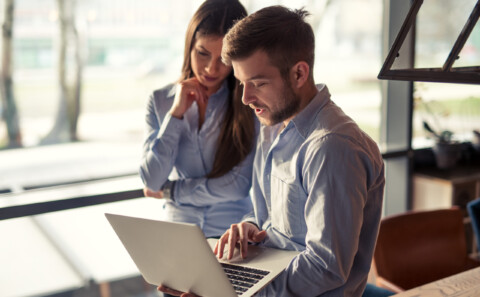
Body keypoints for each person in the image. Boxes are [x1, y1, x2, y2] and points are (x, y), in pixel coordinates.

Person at [158, 5, 385, 297]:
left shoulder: (331, 147)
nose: (245, 98)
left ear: (299, 73)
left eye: (258, 83)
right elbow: (276, 223)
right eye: (241, 83)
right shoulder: (271, 127)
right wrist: (251, 227)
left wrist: (236, 294)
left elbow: (325, 266)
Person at [139, 0, 256, 241]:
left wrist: (171, 191)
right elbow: (151, 179)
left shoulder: (249, 104)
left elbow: (238, 185)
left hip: (232, 237)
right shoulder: (160, 101)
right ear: (189, 46)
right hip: (178, 235)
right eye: (202, 54)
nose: (211, 69)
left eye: (223, 59)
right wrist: (176, 114)